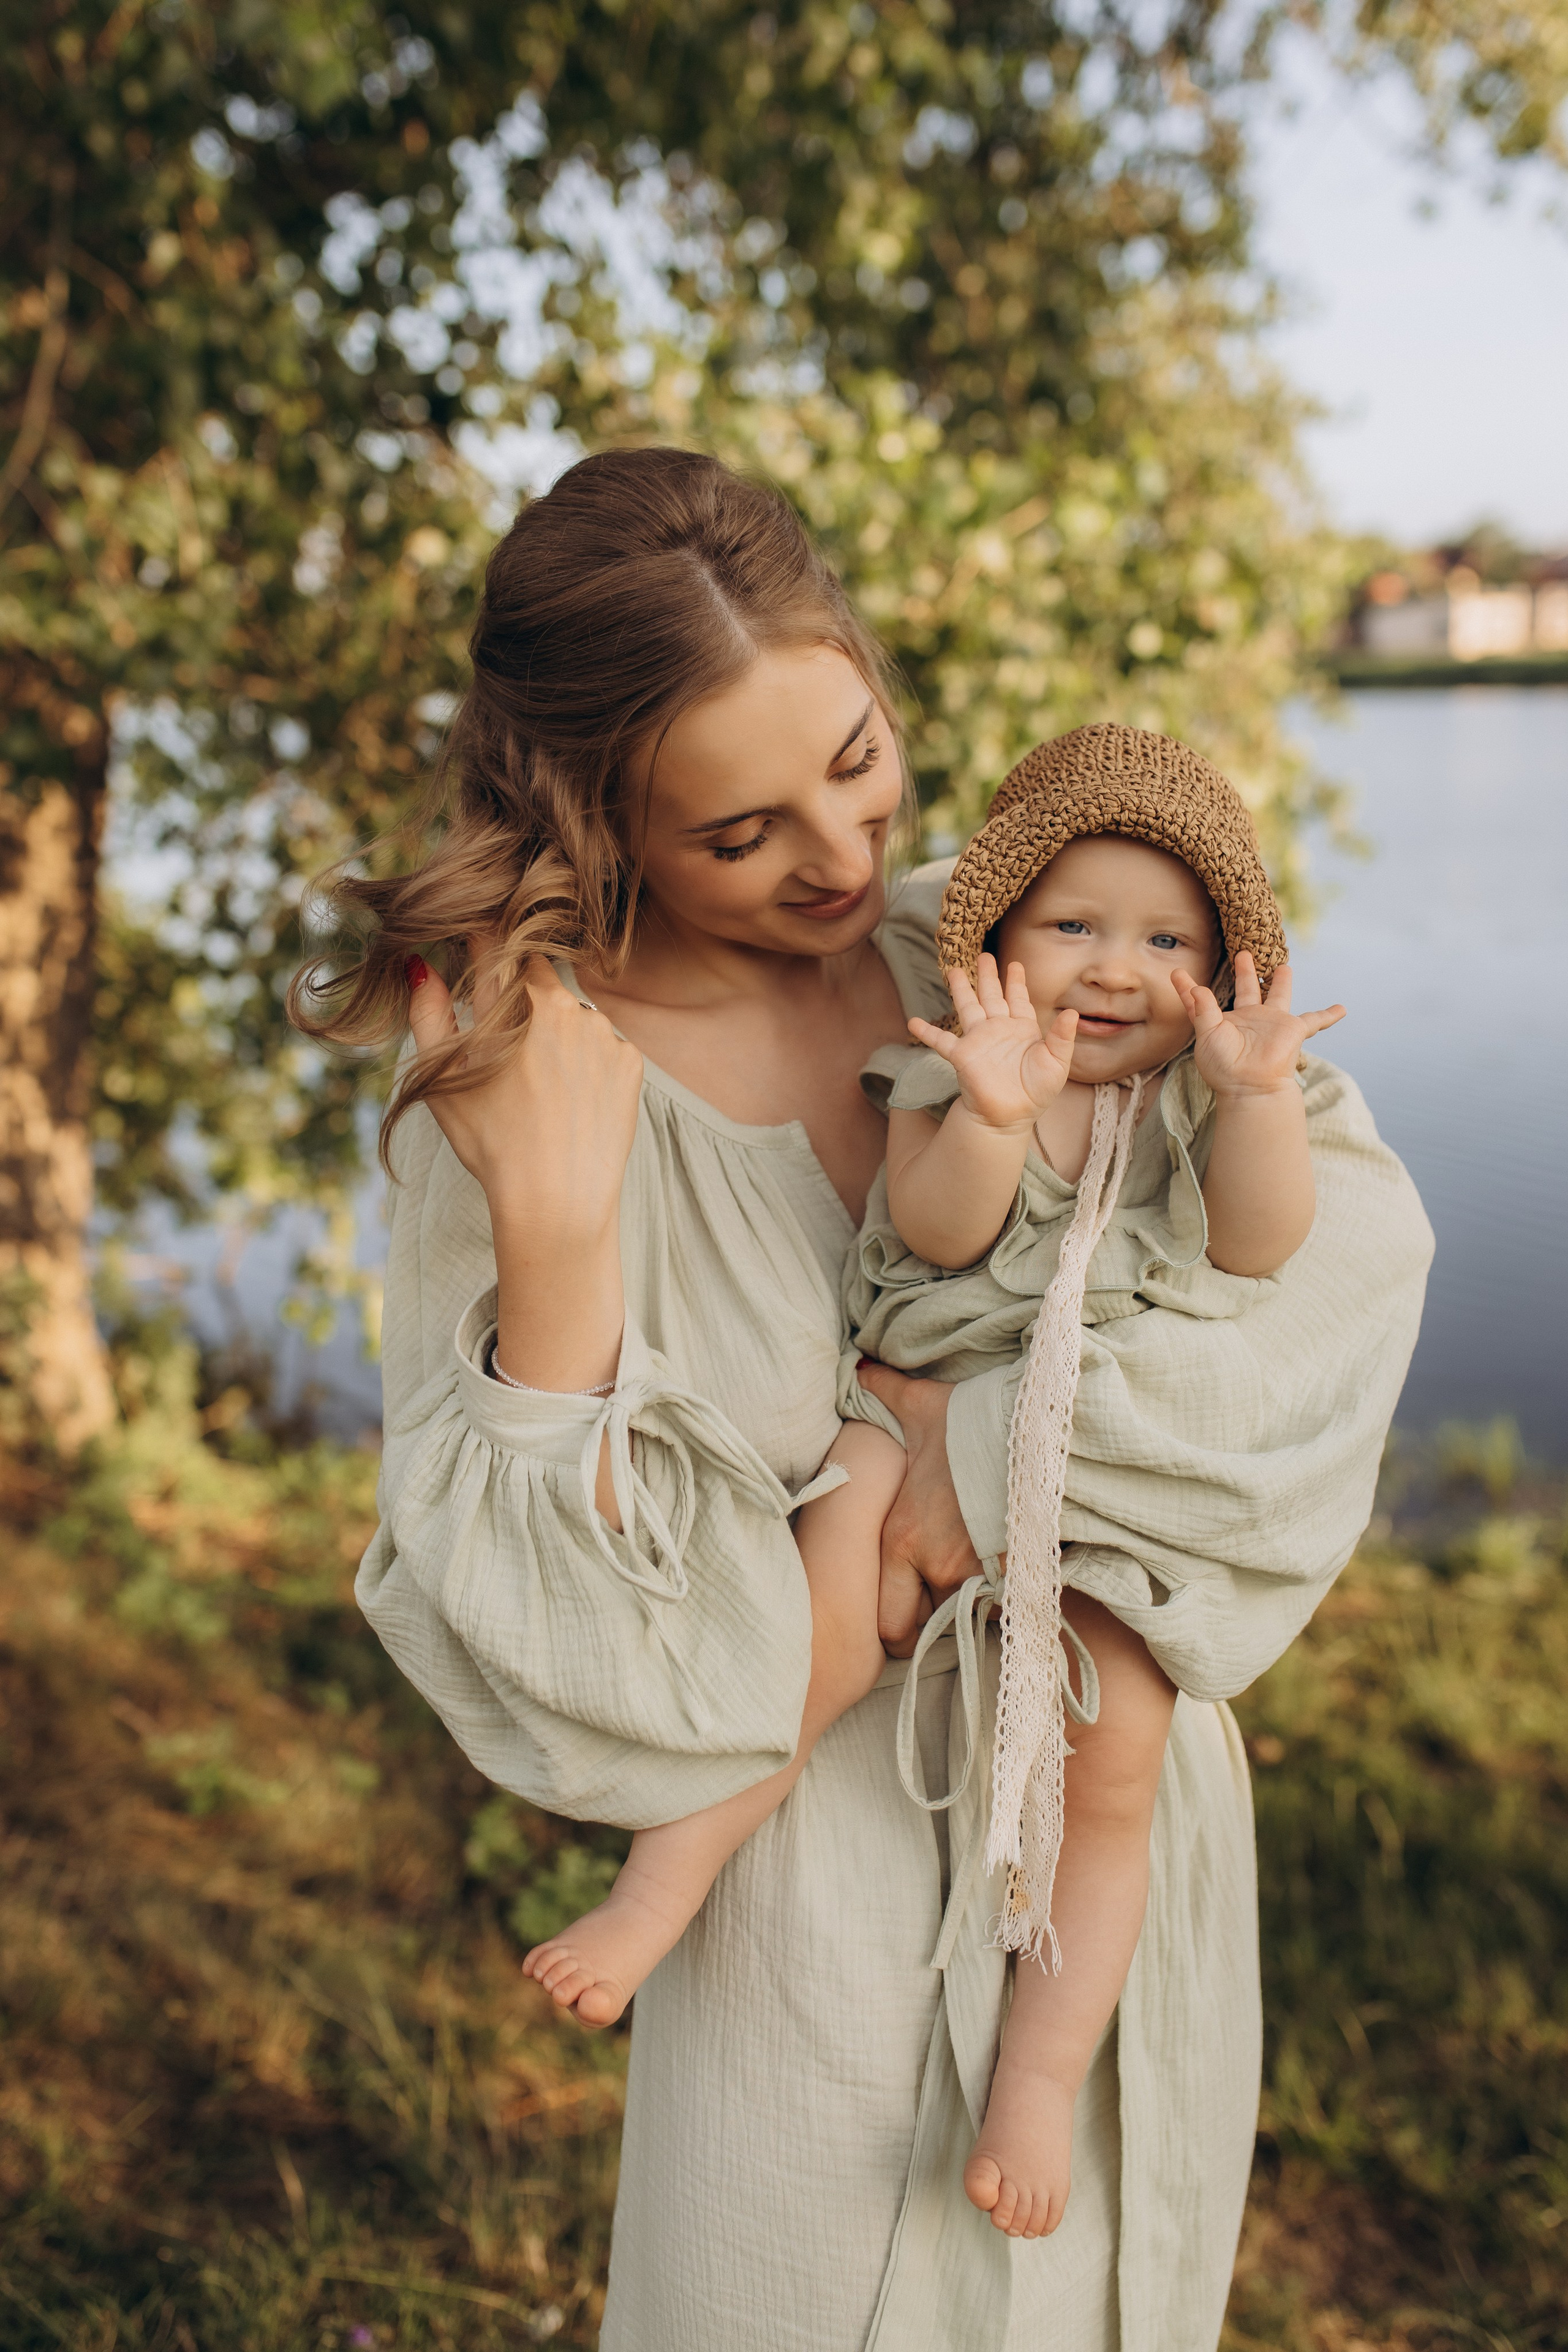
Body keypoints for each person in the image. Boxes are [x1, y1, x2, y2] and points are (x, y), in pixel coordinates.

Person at [291, 446, 1433, 2351]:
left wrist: (980, 1459)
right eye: (741, 832)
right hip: (797, 1897)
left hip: (1106, 1818)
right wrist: (562, 1246)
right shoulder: (532, 1083)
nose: (840, 856)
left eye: (859, 758)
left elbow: (1328, 1296)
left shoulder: (1004, 944)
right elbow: (565, 1665)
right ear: (602, 818)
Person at [520, 723, 1348, 2245]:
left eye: (1163, 939)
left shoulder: (1196, 1100)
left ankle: (1037, 2076)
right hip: (900, 1422)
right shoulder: (946, 1072)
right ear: (992, 941)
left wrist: (1256, 1101)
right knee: (812, 1624)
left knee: (1114, 1775)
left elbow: (1259, 1247)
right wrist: (991, 1107)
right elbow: (944, 1237)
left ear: (1221, 968)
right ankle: (656, 1894)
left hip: (1098, 1485)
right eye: (1072, 929)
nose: (1112, 969)